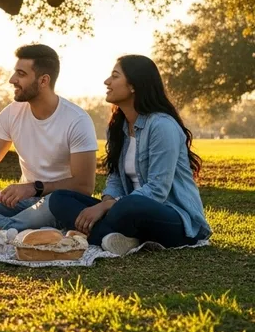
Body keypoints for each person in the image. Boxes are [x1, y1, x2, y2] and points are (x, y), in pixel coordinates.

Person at [49, 55, 211, 255]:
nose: (107, 82)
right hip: (124, 212)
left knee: (129, 206)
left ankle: (97, 234)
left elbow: (158, 190)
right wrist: (107, 201)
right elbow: (115, 178)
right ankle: (117, 238)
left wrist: (107, 206)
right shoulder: (119, 127)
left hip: (173, 218)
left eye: (115, 76)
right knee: (58, 199)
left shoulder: (162, 126)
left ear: (133, 85)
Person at [0, 44, 97, 231]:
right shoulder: (11, 113)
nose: (12, 80)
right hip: (21, 204)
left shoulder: (77, 120)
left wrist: (34, 187)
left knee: (54, 202)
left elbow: (84, 186)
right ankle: (8, 228)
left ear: (44, 80)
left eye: (21, 74)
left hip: (54, 205)